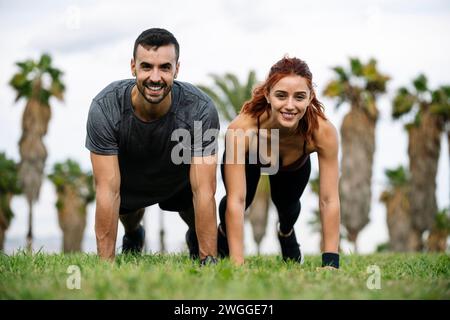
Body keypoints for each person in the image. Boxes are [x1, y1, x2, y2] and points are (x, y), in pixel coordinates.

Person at [85, 28, 219, 265]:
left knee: (193, 205)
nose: (155, 77)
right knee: (127, 213)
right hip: (130, 182)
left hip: (179, 181)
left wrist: (209, 260)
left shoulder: (200, 109)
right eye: (147, 66)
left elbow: (204, 191)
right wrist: (105, 267)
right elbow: (107, 189)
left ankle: (195, 241)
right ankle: (134, 234)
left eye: (165, 68)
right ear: (133, 67)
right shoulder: (105, 107)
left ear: (177, 69)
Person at [218, 56, 340, 268]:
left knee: (288, 208)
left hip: (293, 167)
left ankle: (286, 233)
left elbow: (329, 199)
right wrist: (237, 264)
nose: (290, 106)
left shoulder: (322, 132)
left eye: (300, 97)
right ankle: (221, 236)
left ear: (311, 97)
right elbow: (236, 201)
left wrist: (331, 263)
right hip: (252, 160)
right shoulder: (243, 128)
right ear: (267, 94)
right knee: (237, 200)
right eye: (281, 96)